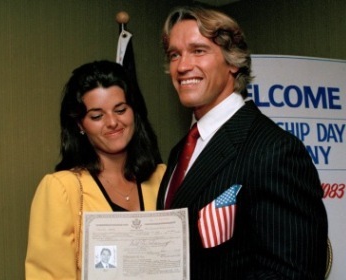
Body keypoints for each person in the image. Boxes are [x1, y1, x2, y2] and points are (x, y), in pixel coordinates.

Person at [156, 5, 328, 280]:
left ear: (233, 61)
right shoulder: (181, 151)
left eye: (198, 50)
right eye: (174, 54)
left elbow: (292, 273)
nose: (182, 65)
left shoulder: (275, 151)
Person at [25, 60, 166, 279]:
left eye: (120, 110)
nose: (112, 122)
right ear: (80, 125)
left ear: (133, 112)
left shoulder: (164, 178)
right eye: (97, 116)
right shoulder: (62, 190)